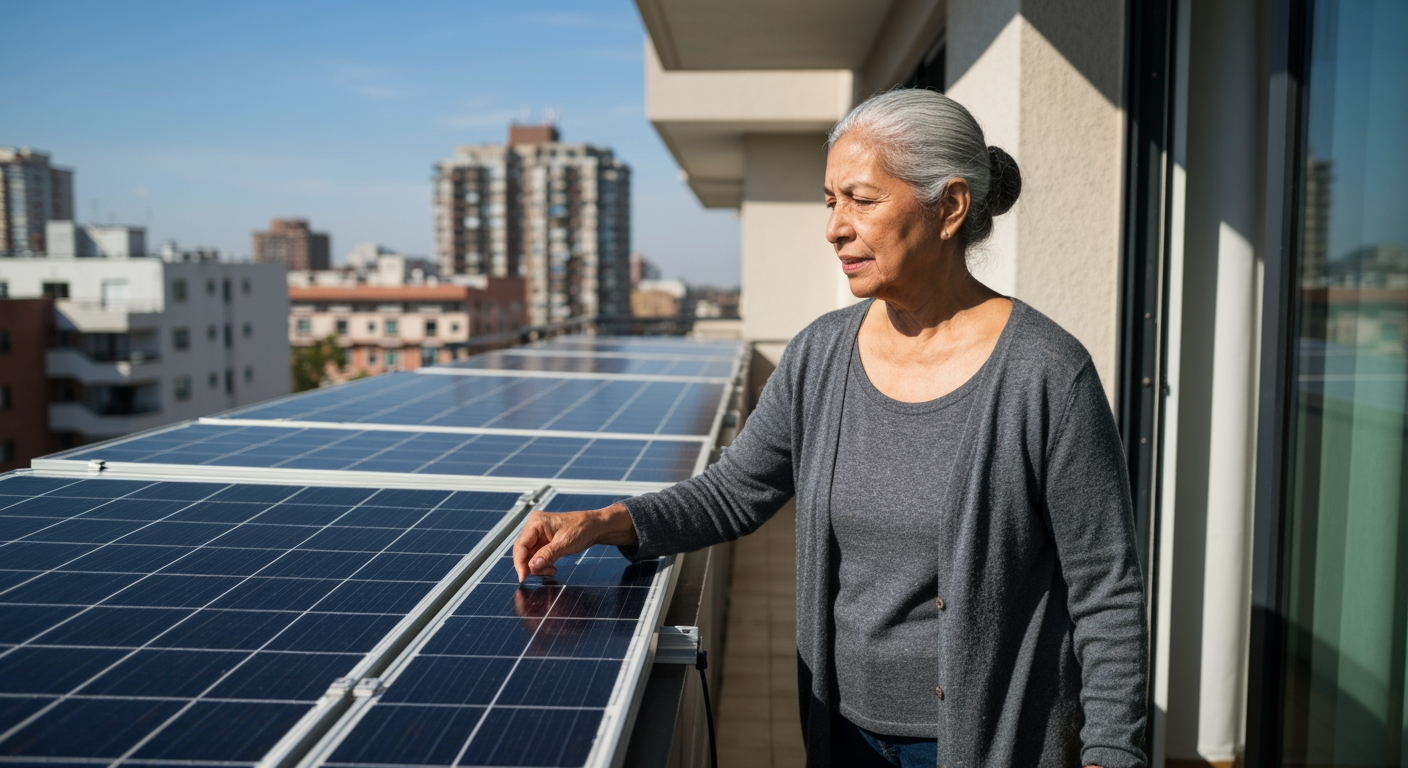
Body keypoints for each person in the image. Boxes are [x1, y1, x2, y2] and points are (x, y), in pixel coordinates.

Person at [513, 89, 1147, 768]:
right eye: (829, 201)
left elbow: (1106, 593)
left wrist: (1113, 753)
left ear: (950, 207)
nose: (835, 227)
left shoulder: (1045, 373)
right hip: (839, 727)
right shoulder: (819, 354)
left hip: (988, 741)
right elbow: (735, 491)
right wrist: (606, 522)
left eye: (861, 200)